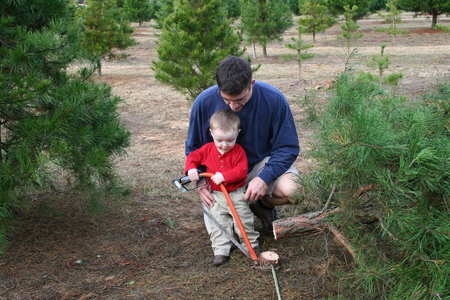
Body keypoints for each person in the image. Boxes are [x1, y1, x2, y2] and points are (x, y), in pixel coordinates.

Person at [185, 56, 301, 232]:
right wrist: (201, 181)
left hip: (259, 166)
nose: (233, 106)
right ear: (219, 88)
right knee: (227, 238)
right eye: (226, 100)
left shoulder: (274, 99)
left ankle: (263, 205)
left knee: (297, 191)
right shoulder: (203, 103)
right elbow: (193, 148)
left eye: (239, 99)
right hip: (220, 173)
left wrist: (265, 177)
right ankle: (234, 210)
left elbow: (287, 147)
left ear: (251, 83)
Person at [185, 109, 260, 266]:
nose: (224, 145)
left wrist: (225, 177)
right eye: (219, 140)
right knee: (218, 222)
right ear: (211, 133)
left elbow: (241, 170)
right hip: (216, 195)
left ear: (238, 133)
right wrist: (192, 168)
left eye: (230, 140)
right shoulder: (206, 149)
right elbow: (193, 157)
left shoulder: (239, 151)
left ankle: (251, 245)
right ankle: (220, 251)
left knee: (243, 219)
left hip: (236, 194)